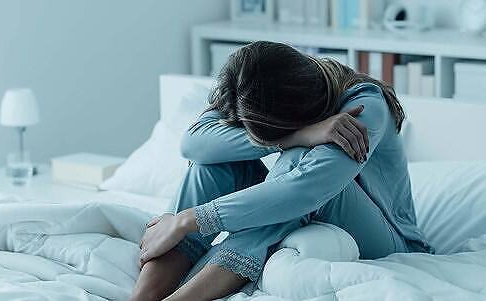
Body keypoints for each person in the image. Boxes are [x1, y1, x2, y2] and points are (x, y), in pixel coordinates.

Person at [130, 41, 433, 301]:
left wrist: (188, 220)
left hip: (391, 243)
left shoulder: (364, 104)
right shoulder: (254, 82)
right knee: (213, 165)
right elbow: (194, 143)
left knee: (296, 167)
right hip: (308, 192)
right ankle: (141, 297)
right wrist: (295, 136)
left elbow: (307, 190)